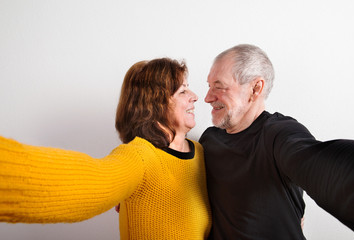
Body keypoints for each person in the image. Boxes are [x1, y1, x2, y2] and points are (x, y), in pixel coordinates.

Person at [0, 58, 212, 239]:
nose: (194, 96)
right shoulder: (139, 156)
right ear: (155, 103)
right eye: (183, 90)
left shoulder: (200, 151)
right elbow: (89, 184)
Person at [199, 44, 354, 239]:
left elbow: (330, 171)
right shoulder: (209, 140)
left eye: (219, 87)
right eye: (209, 86)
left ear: (255, 88)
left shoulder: (279, 134)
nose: (207, 98)